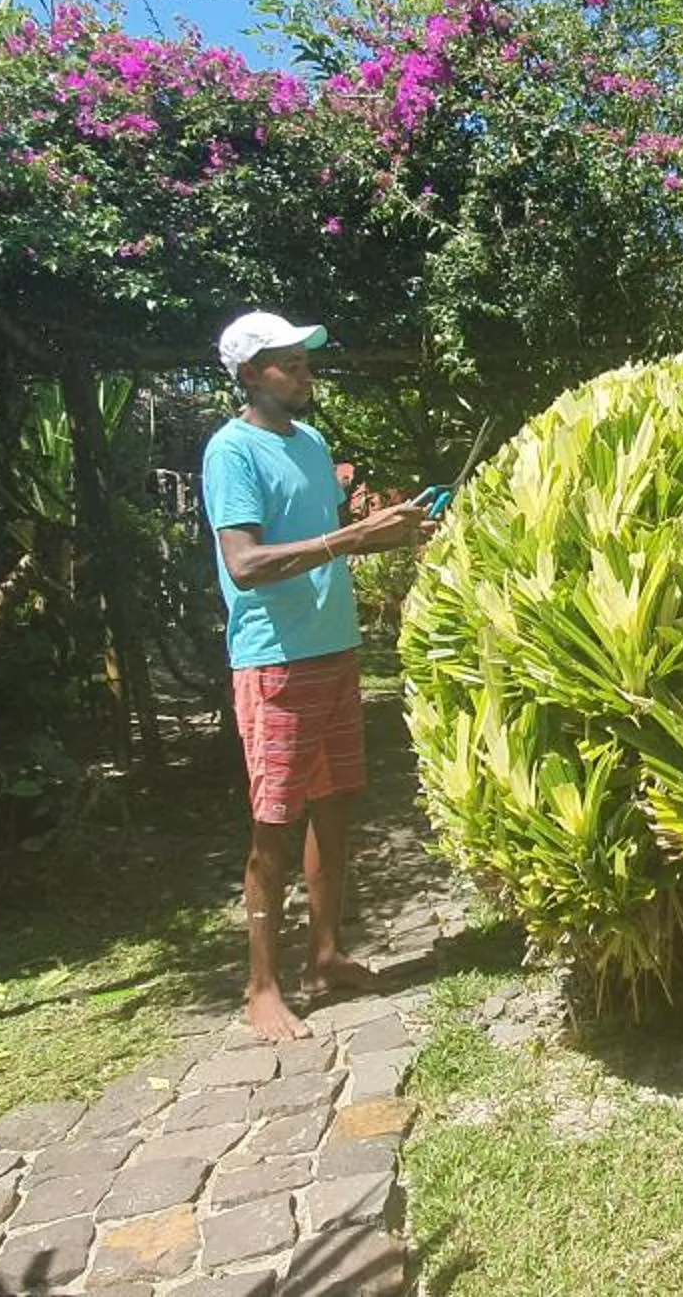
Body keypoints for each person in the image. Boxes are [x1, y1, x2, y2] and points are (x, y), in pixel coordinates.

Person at [203, 310, 438, 1042]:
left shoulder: (310, 444)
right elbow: (246, 564)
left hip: (334, 651)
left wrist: (388, 532)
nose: (305, 373)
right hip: (275, 660)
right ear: (249, 374)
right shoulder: (231, 452)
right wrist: (350, 536)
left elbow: (325, 548)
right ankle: (261, 987)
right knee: (276, 825)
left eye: (306, 361)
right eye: (288, 363)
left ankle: (326, 954)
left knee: (335, 806)